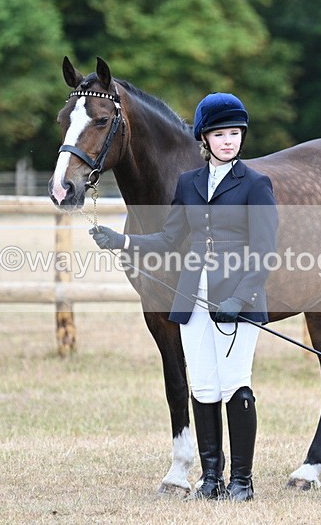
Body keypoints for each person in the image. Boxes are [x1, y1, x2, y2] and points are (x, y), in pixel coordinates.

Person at [90, 93, 278, 502]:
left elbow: (266, 251)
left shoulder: (256, 184)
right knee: (205, 386)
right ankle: (211, 479)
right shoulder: (188, 184)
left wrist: (242, 298)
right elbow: (169, 238)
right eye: (220, 134)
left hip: (236, 301)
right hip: (193, 298)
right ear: (204, 139)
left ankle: (241, 482)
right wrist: (120, 240)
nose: (228, 141)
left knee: (235, 385)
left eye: (234, 134)